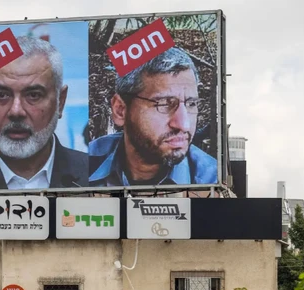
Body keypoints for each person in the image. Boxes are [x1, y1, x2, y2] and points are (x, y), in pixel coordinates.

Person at [0, 35, 88, 190]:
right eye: (2, 95)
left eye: (33, 95)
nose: (16, 111)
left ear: (61, 102)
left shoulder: (93, 176)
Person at [90, 47, 219, 187]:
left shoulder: (212, 181)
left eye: (191, 104)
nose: (183, 124)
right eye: (163, 104)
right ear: (120, 110)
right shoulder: (84, 163)